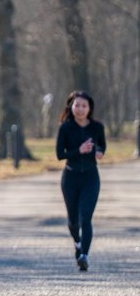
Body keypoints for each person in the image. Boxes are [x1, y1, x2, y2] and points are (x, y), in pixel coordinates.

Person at [55, 90, 105, 271]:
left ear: (90, 108)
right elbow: (60, 155)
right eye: (77, 105)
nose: (80, 109)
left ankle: (84, 255)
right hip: (70, 177)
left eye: (84, 106)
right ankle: (77, 242)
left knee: (86, 217)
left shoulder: (97, 127)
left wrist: (99, 152)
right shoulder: (66, 128)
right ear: (71, 106)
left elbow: (102, 145)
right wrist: (80, 150)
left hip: (91, 177)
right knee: (73, 221)